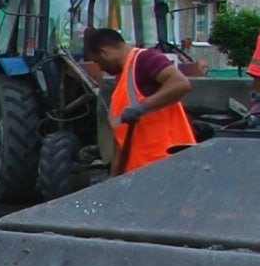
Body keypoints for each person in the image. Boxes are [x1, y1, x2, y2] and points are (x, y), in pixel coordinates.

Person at [83, 28, 196, 175]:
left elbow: (181, 84)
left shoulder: (144, 59)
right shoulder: (122, 81)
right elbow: (120, 141)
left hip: (167, 168)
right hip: (141, 175)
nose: (100, 68)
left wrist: (142, 107)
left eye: (98, 61)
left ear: (105, 52)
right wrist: (114, 181)